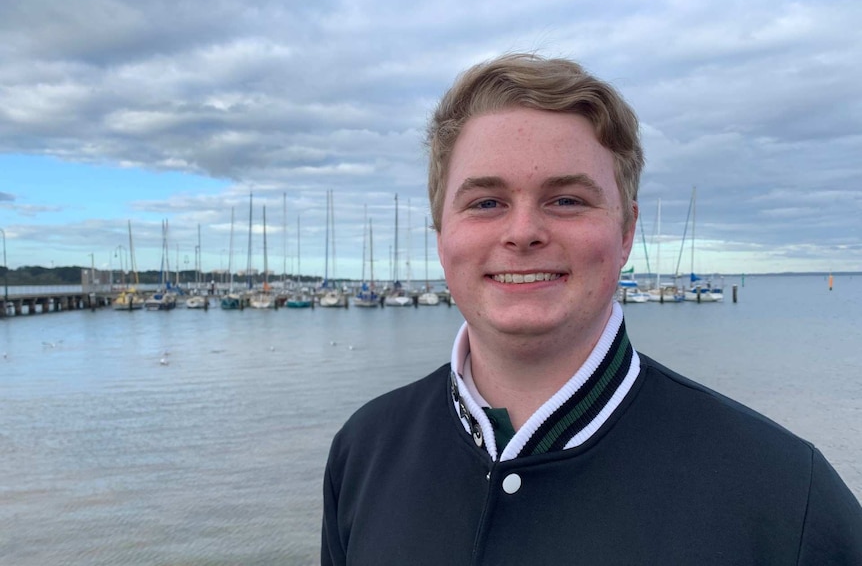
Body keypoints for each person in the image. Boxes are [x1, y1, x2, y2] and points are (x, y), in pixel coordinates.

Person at [321, 53, 862, 565]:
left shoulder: (787, 494)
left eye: (567, 200)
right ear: (442, 235)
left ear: (626, 231)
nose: (524, 232)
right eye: (486, 202)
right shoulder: (364, 452)